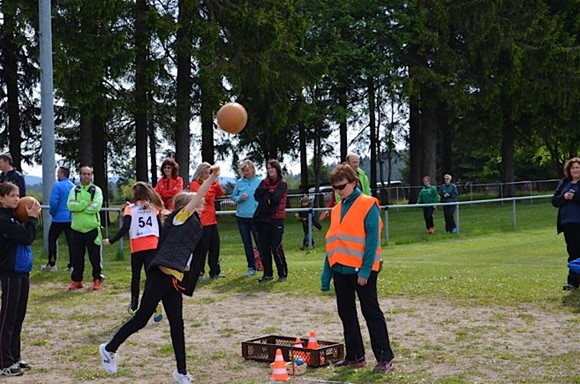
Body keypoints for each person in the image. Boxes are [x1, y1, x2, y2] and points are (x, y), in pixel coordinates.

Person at [98, 164, 221, 384]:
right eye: (198, 203)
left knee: (177, 325)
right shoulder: (180, 217)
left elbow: (186, 251)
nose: (202, 204)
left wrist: (187, 268)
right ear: (186, 207)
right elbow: (196, 199)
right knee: (141, 319)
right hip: (160, 276)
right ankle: (109, 348)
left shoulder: (190, 226)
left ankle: (181, 372)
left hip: (173, 280)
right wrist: (212, 177)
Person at [320, 164, 395, 373]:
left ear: (354, 183)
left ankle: (384, 357)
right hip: (340, 270)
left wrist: (365, 270)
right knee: (346, 312)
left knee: (371, 312)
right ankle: (355, 356)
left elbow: (372, 240)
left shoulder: (367, 204)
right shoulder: (336, 209)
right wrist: (326, 275)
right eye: (335, 188)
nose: (338, 191)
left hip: (363, 270)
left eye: (342, 186)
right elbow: (333, 243)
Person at [103, 182, 165, 320]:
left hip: (137, 246)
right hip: (152, 245)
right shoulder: (154, 207)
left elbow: (126, 227)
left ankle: (134, 306)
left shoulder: (130, 209)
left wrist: (112, 240)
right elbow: (160, 227)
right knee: (151, 278)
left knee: (135, 277)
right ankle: (155, 304)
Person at [0, 182, 41, 376]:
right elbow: (26, 238)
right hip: (10, 273)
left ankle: (14, 357)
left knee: (18, 317)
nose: (17, 199)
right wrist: (32, 219)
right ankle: (4, 362)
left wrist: (30, 218)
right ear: (1, 198)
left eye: (18, 195)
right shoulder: (3, 219)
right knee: (7, 318)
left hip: (23, 272)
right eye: (12, 196)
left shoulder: (14, 217)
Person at [66, 165, 105, 291]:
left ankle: (97, 279)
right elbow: (70, 205)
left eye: (89, 174)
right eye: (84, 173)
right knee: (77, 256)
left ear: (91, 175)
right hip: (76, 228)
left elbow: (96, 207)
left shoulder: (96, 190)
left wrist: (79, 208)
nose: (86, 176)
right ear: (80, 175)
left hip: (92, 228)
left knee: (95, 256)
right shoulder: (74, 190)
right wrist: (84, 204)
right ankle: (77, 280)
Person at [189, 162, 225, 279]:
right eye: (206, 173)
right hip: (202, 220)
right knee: (201, 248)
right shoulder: (194, 184)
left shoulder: (212, 183)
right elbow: (204, 196)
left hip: (212, 220)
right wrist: (210, 187)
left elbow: (220, 192)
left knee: (215, 247)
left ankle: (215, 271)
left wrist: (213, 181)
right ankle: (199, 272)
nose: (207, 175)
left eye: (209, 173)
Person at [254, 159, 288, 282]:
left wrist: (266, 195)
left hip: (277, 219)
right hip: (264, 219)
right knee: (264, 247)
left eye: (272, 167)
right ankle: (267, 273)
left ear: (277, 169)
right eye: (268, 168)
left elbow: (275, 198)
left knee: (276, 247)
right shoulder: (264, 182)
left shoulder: (282, 184)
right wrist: (268, 193)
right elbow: (257, 195)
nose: (270, 170)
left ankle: (282, 273)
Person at [551, 157, 580, 291]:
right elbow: (555, 201)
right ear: (569, 170)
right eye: (573, 167)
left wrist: (575, 197)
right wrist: (564, 197)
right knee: (573, 252)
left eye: (578, 167)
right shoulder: (565, 183)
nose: (575, 170)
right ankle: (573, 283)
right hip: (567, 223)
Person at [231, 159, 261, 276]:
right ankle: (251, 267)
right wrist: (239, 198)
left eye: (247, 170)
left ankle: (264, 264)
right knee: (247, 243)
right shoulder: (239, 183)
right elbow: (233, 196)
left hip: (255, 217)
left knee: (259, 241)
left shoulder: (259, 181)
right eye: (243, 171)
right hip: (242, 217)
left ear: (252, 169)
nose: (246, 173)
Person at [320, 153, 370, 220]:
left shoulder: (364, 177)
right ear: (347, 163)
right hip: (344, 209)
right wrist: (331, 209)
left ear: (353, 183)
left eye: (357, 162)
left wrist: (368, 207)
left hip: (362, 209)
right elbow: (334, 196)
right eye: (354, 162)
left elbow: (367, 193)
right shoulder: (339, 177)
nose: (356, 165)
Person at [43, 166, 75, 272]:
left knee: (52, 240)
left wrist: (52, 212)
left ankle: (52, 264)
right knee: (71, 242)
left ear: (62, 174)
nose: (57, 175)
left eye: (58, 173)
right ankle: (72, 265)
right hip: (70, 217)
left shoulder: (57, 185)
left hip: (58, 218)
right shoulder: (73, 186)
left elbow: (53, 201)